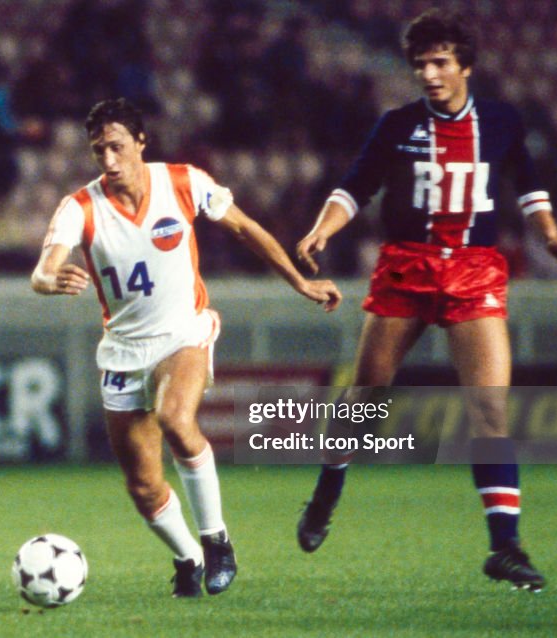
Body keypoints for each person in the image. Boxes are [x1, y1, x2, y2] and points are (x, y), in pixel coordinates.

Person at [293, 9, 557, 592]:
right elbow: (356, 185)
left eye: (440, 63)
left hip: (474, 271)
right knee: (366, 397)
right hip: (406, 266)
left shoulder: (501, 122)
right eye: (421, 64)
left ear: (466, 67)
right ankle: (328, 490)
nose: (428, 74)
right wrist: (325, 227)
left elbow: (527, 184)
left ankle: (505, 546)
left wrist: (552, 237)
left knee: (490, 409)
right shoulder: (397, 124)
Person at [32, 98, 342, 598]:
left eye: (116, 147)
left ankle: (217, 540)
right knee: (145, 487)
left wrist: (299, 283)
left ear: (140, 142)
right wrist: (49, 280)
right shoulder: (80, 207)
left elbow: (245, 227)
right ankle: (188, 558)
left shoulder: (182, 183)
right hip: (123, 351)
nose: (108, 160)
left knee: (177, 419)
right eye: (98, 151)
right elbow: (44, 267)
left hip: (185, 332)